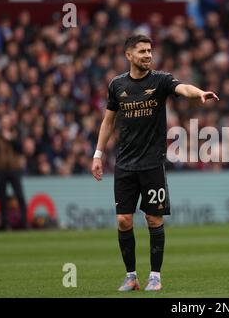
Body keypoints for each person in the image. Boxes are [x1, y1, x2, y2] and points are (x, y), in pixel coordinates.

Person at [91, 35, 219, 292]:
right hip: (125, 164)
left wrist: (199, 93)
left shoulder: (160, 80)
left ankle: (155, 276)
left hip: (152, 163)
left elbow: (182, 88)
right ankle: (131, 276)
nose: (148, 55)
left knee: (153, 219)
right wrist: (97, 154)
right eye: (142, 51)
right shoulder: (117, 85)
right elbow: (108, 122)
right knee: (124, 220)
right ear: (129, 55)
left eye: (149, 51)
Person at [0, 114, 28, 230]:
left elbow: (20, 149)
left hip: (14, 169)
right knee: (2, 197)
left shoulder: (15, 135)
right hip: (0, 169)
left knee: (20, 195)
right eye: (3, 121)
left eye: (7, 121)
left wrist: (11, 139)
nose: (5, 124)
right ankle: (5, 223)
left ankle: (24, 222)